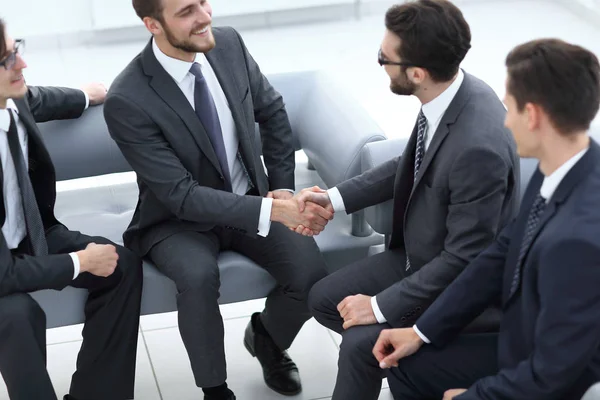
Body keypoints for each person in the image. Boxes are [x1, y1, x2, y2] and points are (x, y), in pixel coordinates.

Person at [103, 0, 330, 398]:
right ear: (152, 24)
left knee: (310, 274)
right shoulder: (129, 97)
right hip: (177, 222)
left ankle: (267, 339)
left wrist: (280, 186)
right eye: (187, 10)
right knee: (197, 278)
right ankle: (215, 389)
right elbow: (180, 196)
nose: (205, 16)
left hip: (250, 198)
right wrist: (273, 209)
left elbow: (273, 111)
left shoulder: (227, 44)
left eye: (204, 2)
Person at [301, 1, 520, 398]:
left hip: (461, 288)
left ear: (416, 73)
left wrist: (380, 307)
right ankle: (403, 362)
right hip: (418, 258)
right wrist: (334, 198)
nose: (381, 63)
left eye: (384, 58)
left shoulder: (479, 148)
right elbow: (411, 162)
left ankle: (408, 360)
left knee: (358, 345)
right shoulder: (448, 94)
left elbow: (464, 261)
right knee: (323, 298)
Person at [373, 38, 600, 400]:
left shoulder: (576, 240)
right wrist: (421, 331)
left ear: (534, 115)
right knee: (406, 366)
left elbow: (557, 373)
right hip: (525, 338)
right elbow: (498, 256)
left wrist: (473, 398)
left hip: (558, 374)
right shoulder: (563, 165)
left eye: (510, 109)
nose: (505, 122)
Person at [0, 19, 143, 400]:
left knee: (121, 264)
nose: (22, 64)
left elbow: (37, 98)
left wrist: (85, 95)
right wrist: (81, 261)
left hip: (32, 235)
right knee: (17, 316)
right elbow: (3, 274)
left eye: (17, 50)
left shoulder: (10, 98)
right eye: (7, 59)